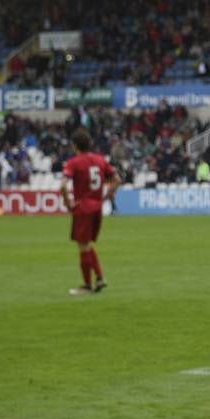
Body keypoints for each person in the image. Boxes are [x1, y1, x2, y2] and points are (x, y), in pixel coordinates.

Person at [59, 127, 120, 296]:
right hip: (96, 208)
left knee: (83, 246)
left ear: (74, 145)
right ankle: (99, 278)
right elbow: (117, 179)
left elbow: (63, 185)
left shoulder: (74, 162)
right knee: (86, 244)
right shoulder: (100, 160)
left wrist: (68, 203)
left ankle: (86, 286)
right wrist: (106, 197)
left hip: (82, 208)